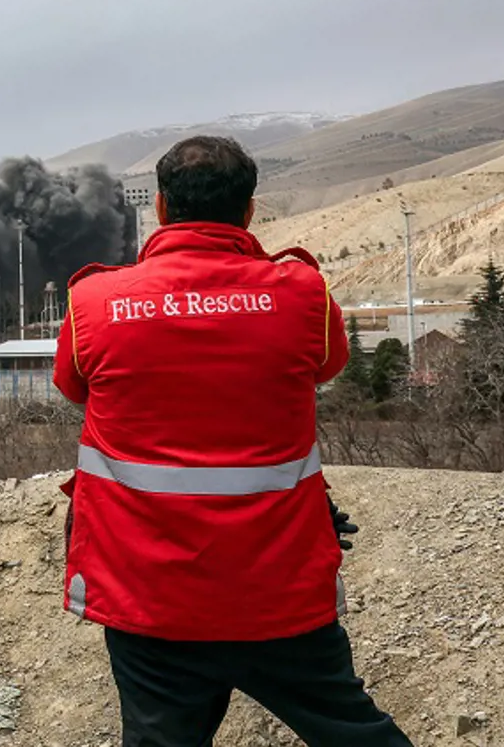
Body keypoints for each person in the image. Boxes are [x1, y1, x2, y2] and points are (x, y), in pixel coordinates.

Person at [53, 136, 412, 746]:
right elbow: (328, 364)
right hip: (280, 592)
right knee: (355, 733)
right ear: (249, 211)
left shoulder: (93, 303)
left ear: (160, 207)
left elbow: (73, 386)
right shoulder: (303, 295)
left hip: (149, 599)